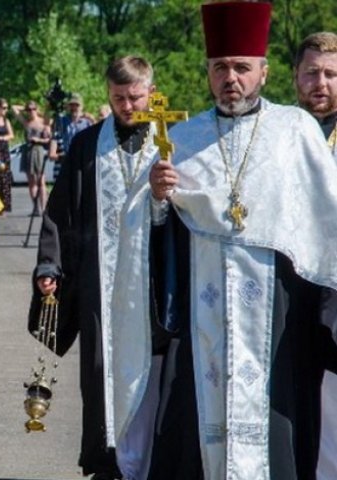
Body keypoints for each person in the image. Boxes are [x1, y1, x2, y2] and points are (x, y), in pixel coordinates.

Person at [139, 3, 337, 478]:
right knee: (197, 421)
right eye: (221, 68)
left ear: (264, 73)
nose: (232, 78)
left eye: (242, 68)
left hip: (281, 310)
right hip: (202, 309)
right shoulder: (181, 138)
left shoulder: (295, 130)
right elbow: (154, 233)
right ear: (208, 72)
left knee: (282, 424)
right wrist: (159, 198)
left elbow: (325, 217)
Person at [29, 55, 162, 480]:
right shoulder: (87, 145)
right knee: (101, 374)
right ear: (108, 95)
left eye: (135, 97)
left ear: (151, 93)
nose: (127, 106)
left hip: (157, 285)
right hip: (99, 285)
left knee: (156, 372)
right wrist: (49, 265)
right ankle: (108, 462)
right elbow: (60, 213)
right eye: (119, 98)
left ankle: (154, 459)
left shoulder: (173, 141)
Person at [294, 31, 337, 480]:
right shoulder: (279, 131)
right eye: (311, 73)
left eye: (330, 74)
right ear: (294, 78)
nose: (319, 83)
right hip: (291, 294)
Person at [13, 101, 51, 215]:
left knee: (41, 180)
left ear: (37, 109)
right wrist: (24, 107)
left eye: (33, 109)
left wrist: (38, 140)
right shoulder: (27, 122)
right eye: (29, 110)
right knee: (31, 181)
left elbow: (49, 139)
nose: (31, 111)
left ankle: (44, 207)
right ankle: (35, 208)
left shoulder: (43, 122)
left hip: (38, 150)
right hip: (28, 150)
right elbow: (14, 108)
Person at [49, 93, 92, 180]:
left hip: (81, 162)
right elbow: (54, 142)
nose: (74, 108)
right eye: (71, 105)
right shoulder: (61, 121)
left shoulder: (87, 123)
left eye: (76, 105)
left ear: (81, 107)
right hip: (65, 161)